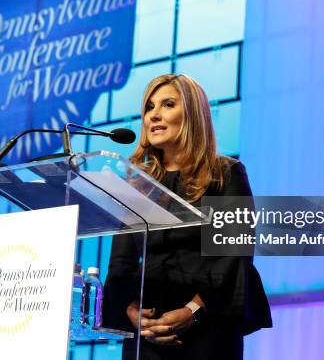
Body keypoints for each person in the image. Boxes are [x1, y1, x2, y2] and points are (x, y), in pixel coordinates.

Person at [103, 74, 272, 360]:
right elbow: (121, 262)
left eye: (168, 104)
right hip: (147, 328)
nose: (154, 115)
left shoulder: (225, 174)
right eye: (149, 107)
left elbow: (233, 256)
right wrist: (130, 310)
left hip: (207, 325)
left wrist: (191, 312)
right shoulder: (138, 184)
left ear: (192, 114)